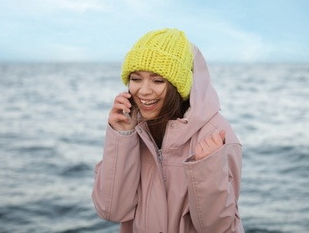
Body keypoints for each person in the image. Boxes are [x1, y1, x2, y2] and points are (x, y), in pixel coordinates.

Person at [92, 28, 244, 232]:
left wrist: (206, 169)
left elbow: (218, 228)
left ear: (179, 85)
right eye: (136, 79)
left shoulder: (216, 134)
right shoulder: (134, 128)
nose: (144, 91)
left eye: (158, 80)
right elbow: (110, 210)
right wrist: (122, 137)